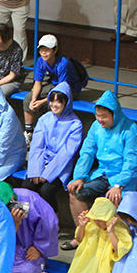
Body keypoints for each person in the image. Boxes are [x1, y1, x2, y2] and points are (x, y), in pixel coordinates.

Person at [66, 90, 137, 242]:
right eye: (98, 116)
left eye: (104, 117)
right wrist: (79, 177)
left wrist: (118, 185)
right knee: (75, 191)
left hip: (125, 177)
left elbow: (131, 162)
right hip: (103, 172)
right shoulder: (96, 127)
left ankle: (112, 243)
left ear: (114, 114)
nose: (100, 120)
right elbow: (87, 152)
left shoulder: (130, 130)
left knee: (115, 200)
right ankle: (83, 237)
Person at [61, 197, 132, 273]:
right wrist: (82, 226)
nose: (98, 222)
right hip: (85, 263)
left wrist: (111, 232)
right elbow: (79, 240)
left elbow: (119, 250)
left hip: (104, 267)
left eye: (101, 219)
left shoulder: (120, 230)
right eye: (96, 219)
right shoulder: (91, 226)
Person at [22, 82, 82, 214]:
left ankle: (52, 219)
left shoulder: (75, 124)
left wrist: (48, 174)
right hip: (42, 161)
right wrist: (36, 171)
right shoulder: (44, 119)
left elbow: (66, 153)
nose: (54, 105)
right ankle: (29, 218)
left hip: (61, 167)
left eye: (59, 102)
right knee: (27, 185)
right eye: (52, 101)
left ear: (66, 103)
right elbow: (37, 146)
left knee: (46, 190)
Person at [22, 34, 84, 140]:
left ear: (55, 50)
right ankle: (29, 132)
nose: (44, 53)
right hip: (53, 84)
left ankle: (49, 132)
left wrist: (42, 102)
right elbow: (37, 82)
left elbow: (62, 90)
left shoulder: (63, 64)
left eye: (47, 50)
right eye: (41, 50)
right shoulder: (40, 61)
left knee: (53, 102)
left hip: (69, 88)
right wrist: (34, 99)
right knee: (28, 99)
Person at [4, 184, 58, 273]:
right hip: (7, 248)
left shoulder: (29, 198)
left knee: (29, 272)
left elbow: (49, 222)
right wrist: (14, 225)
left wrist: (39, 247)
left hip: (30, 246)